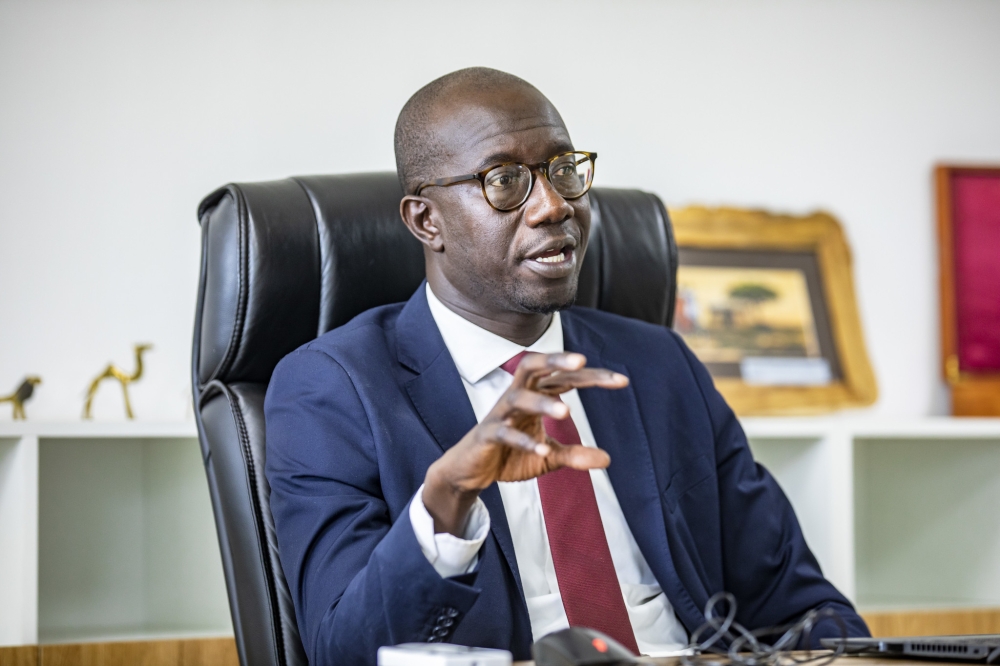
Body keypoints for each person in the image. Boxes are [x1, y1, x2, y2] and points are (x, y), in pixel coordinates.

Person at [264, 67, 869, 666]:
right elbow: (344, 651)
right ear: (427, 221)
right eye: (504, 181)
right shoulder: (332, 388)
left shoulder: (660, 365)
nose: (554, 206)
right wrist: (447, 499)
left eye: (563, 170)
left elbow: (801, 607)